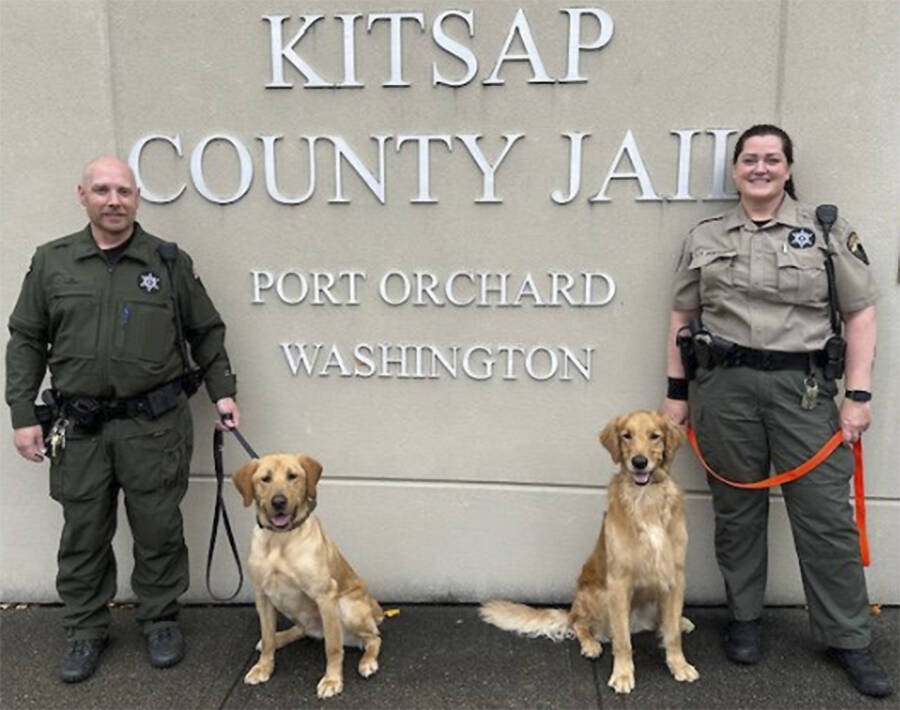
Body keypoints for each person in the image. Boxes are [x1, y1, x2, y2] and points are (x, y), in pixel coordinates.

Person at [660, 125, 892, 698]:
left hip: (803, 392)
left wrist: (857, 397)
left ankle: (849, 638)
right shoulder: (705, 235)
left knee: (825, 519)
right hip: (724, 389)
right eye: (749, 159)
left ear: (788, 168)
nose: (760, 168)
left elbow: (861, 315)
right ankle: (744, 620)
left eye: (771, 159)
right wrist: (676, 396)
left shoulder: (825, 231)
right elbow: (681, 317)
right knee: (737, 513)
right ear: (735, 169)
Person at [5, 157, 241, 683]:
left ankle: (159, 618)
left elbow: (206, 330)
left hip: (153, 428)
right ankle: (85, 630)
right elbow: (25, 339)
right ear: (82, 195)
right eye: (103, 190)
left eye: (124, 191)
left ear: (137, 198)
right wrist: (23, 414)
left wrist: (223, 393)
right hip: (80, 429)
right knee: (83, 532)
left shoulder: (168, 262)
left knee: (158, 529)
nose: (115, 200)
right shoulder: (53, 262)